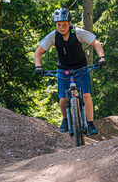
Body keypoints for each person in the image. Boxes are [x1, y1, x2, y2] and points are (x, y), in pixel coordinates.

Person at [34, 8, 106, 136]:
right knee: (62, 98)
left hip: (81, 67)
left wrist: (101, 57)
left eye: (64, 24)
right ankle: (65, 120)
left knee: (86, 95)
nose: (61, 27)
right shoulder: (53, 36)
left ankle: (90, 124)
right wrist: (38, 66)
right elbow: (38, 52)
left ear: (70, 22)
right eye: (58, 25)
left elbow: (96, 43)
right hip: (63, 69)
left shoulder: (77, 32)